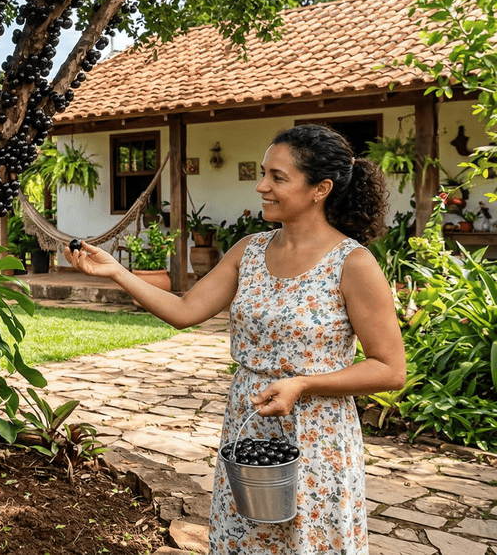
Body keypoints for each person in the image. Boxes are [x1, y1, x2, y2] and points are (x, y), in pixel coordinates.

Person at [65, 124, 406, 555]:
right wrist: (116, 271)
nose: (261, 186)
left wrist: (302, 384)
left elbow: (390, 369)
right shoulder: (249, 250)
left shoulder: (353, 263)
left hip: (316, 433)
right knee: (244, 540)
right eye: (263, 173)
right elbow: (185, 311)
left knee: (308, 541)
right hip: (247, 422)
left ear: (321, 188)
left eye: (277, 177)